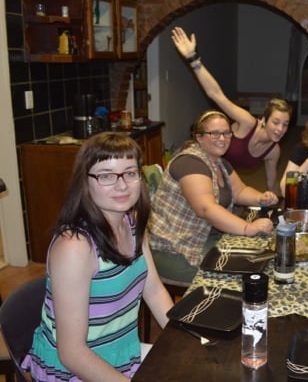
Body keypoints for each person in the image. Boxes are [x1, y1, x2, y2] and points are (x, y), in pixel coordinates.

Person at [22, 132, 174, 381]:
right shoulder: (75, 247)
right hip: (75, 371)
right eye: (106, 176)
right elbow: (72, 353)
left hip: (122, 356)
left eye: (130, 173)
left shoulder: (132, 222)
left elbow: (154, 291)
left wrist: (184, 338)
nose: (122, 185)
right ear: (85, 181)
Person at [147, 111, 278, 284]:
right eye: (214, 133)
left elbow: (239, 191)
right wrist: (247, 228)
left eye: (226, 133)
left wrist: (261, 197)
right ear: (199, 137)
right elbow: (206, 209)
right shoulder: (190, 163)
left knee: (261, 256)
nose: (222, 138)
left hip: (205, 238)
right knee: (242, 276)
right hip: (176, 249)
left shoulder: (219, 162)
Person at [171, 26, 292, 193]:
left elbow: (271, 184)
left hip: (218, 172)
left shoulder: (273, 151)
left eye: (285, 124)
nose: (280, 129)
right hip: (197, 159)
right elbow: (216, 94)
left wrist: (280, 202)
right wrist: (193, 59)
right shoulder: (247, 122)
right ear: (264, 120)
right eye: (276, 122)